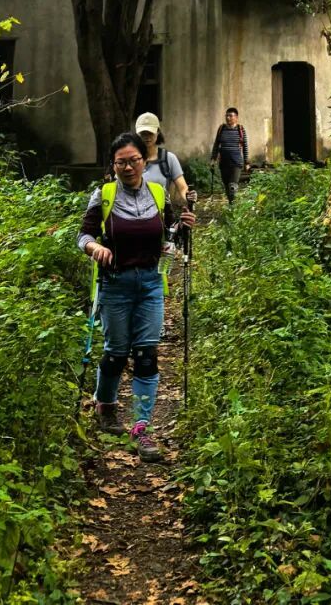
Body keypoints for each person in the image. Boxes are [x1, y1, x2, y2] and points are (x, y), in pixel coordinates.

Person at [78, 130, 195, 461]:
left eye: (134, 160)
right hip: (115, 284)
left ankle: (141, 428)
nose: (128, 167)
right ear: (112, 165)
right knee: (116, 353)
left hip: (150, 284)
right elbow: (83, 235)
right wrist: (95, 248)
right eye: (121, 162)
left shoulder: (158, 193)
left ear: (145, 161)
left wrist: (183, 228)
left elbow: (168, 238)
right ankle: (106, 406)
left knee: (146, 355)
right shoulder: (104, 195)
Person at [135, 111, 196, 210]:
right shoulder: (129, 159)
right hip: (133, 214)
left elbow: (183, 188)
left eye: (150, 133)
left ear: (158, 132)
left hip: (161, 215)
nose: (147, 137)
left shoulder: (168, 159)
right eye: (143, 134)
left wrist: (188, 196)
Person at [210, 105, 248, 203]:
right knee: (227, 186)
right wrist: (213, 159)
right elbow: (216, 144)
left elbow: (245, 147)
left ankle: (233, 205)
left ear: (236, 117)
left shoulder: (240, 129)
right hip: (224, 163)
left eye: (230, 116)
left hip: (236, 163)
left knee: (232, 186)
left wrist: (246, 162)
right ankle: (231, 204)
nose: (228, 118)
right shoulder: (221, 129)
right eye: (226, 116)